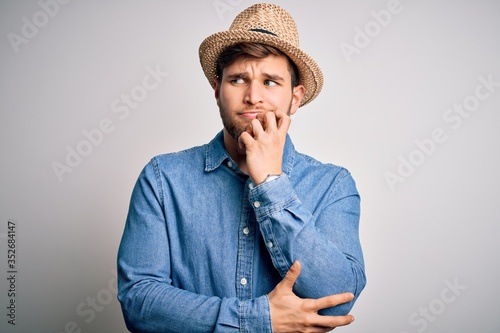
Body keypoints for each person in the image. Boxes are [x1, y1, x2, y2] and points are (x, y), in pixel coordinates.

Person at [117, 3, 366, 332]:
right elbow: (139, 301)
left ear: (295, 97)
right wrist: (258, 319)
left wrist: (270, 183)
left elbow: (339, 299)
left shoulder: (333, 184)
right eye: (238, 80)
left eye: (270, 82)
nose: (253, 96)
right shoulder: (163, 179)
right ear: (217, 89)